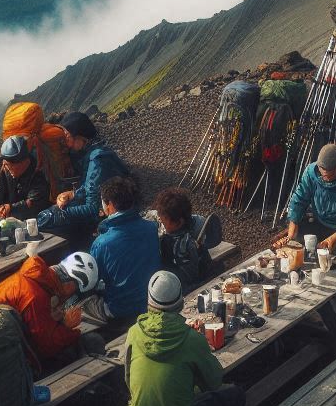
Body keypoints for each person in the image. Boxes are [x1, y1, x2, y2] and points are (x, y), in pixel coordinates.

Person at [125, 271, 246, 406]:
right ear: (181, 303)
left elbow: (127, 379)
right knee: (235, 395)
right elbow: (214, 382)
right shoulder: (191, 339)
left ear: (149, 302)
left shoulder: (134, 332)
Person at [0, 250, 105, 371]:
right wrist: (70, 329)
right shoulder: (34, 295)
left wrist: (53, 318)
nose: (71, 296)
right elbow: (46, 346)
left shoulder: (35, 278)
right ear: (70, 284)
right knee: (89, 343)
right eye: (74, 292)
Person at [75, 175, 160, 331]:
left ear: (110, 205)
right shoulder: (151, 228)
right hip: (152, 300)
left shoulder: (102, 243)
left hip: (120, 309)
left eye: (103, 202)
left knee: (73, 309)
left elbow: (94, 281)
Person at [35, 112, 128, 238]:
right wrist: (73, 194)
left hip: (109, 216)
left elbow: (93, 208)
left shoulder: (98, 159)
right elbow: (91, 187)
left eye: (67, 136)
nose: (66, 143)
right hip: (105, 209)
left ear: (80, 137)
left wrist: (58, 214)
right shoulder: (93, 153)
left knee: (48, 219)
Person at [282, 143, 336, 257]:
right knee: (297, 246)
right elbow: (299, 198)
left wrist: (335, 238)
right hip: (319, 223)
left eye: (330, 175)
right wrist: (293, 222)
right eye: (322, 172)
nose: (325, 177)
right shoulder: (311, 171)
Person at [150, 187, 219, 284]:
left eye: (164, 219)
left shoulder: (182, 243)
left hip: (181, 286)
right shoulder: (193, 224)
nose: (161, 220)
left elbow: (187, 276)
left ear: (179, 222)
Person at [0, 135, 52, 221]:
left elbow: (33, 203)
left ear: (24, 162)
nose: (7, 169)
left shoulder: (38, 172)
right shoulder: (6, 169)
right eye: (5, 164)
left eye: (10, 166)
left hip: (39, 220)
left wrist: (11, 208)